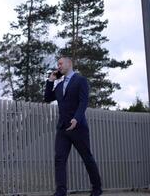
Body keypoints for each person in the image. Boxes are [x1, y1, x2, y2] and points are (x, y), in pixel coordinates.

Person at [44, 56, 102, 196]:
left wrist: (76, 118)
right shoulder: (58, 85)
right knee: (59, 159)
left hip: (78, 127)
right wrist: (50, 81)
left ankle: (97, 188)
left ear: (69, 64)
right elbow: (47, 98)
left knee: (87, 157)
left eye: (60, 63)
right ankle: (61, 191)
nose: (58, 66)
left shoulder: (80, 80)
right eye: (57, 64)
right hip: (63, 128)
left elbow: (83, 102)